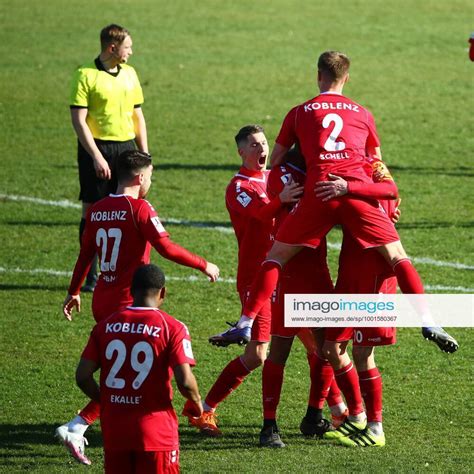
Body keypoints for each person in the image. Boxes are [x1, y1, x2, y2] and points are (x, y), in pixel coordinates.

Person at [215, 50, 458, 355]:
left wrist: (307, 156)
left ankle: (246, 322)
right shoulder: (363, 113)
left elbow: (275, 161)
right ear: (347, 78)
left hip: (319, 193)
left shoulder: (300, 112)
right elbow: (377, 165)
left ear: (318, 76)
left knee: (275, 257)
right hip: (354, 193)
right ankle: (428, 320)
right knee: (397, 256)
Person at [56, 149, 219, 464]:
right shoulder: (140, 209)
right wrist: (203, 264)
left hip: (102, 297)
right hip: (129, 301)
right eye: (151, 176)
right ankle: (78, 426)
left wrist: (75, 290)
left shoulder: (98, 209)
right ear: (141, 177)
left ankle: (81, 425)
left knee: (118, 371)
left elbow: (85, 254)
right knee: (134, 374)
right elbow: (166, 247)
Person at [185, 125, 302, 437]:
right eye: (253, 145)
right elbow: (264, 214)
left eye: (263, 143)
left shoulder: (274, 177)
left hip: (286, 270)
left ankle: (336, 411)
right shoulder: (238, 187)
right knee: (257, 355)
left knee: (313, 340)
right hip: (256, 276)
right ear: (240, 152)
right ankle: (205, 409)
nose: (260, 149)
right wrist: (284, 198)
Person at [75, 264, 203, 473]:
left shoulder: (106, 326)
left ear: (131, 290)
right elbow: (185, 381)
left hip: (115, 432)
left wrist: (105, 400)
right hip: (157, 434)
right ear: (163, 292)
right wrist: (198, 403)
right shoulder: (172, 327)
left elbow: (82, 376)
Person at [259, 149, 347, 447]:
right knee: (279, 351)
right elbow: (310, 201)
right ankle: (268, 425)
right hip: (290, 275)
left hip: (317, 272)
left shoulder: (313, 171)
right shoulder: (285, 174)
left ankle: (314, 416)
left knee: (326, 348)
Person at [70, 24, 149, 291]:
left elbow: (138, 116)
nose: (131, 51)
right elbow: (79, 120)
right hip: (98, 148)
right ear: (112, 48)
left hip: (127, 148)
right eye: (128, 46)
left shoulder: (130, 74)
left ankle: (126, 271)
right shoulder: (85, 75)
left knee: (132, 207)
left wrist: (145, 157)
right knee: (92, 212)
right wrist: (96, 156)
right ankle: (89, 276)